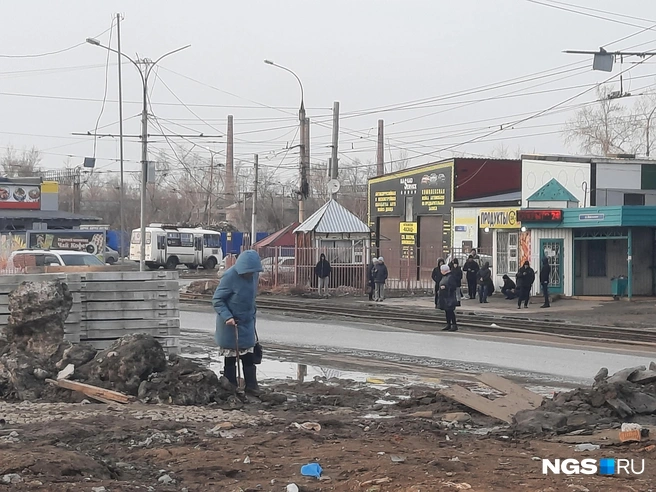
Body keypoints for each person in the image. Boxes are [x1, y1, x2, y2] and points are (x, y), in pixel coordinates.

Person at [212, 249, 263, 396]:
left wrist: (252, 314)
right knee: (230, 358)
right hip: (230, 324)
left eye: (252, 272)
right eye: (248, 272)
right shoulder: (229, 277)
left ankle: (252, 387)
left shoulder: (254, 275)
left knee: (248, 356)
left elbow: (251, 298)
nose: (250, 275)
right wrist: (227, 316)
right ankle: (231, 387)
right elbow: (217, 300)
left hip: (246, 323)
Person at [438, 264, 459, 332]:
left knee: (450, 311)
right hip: (445, 297)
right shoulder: (445, 277)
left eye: (441, 270)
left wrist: (445, 287)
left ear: (444, 270)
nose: (441, 271)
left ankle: (454, 325)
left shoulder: (450, 277)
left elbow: (453, 286)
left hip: (449, 297)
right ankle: (448, 324)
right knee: (447, 311)